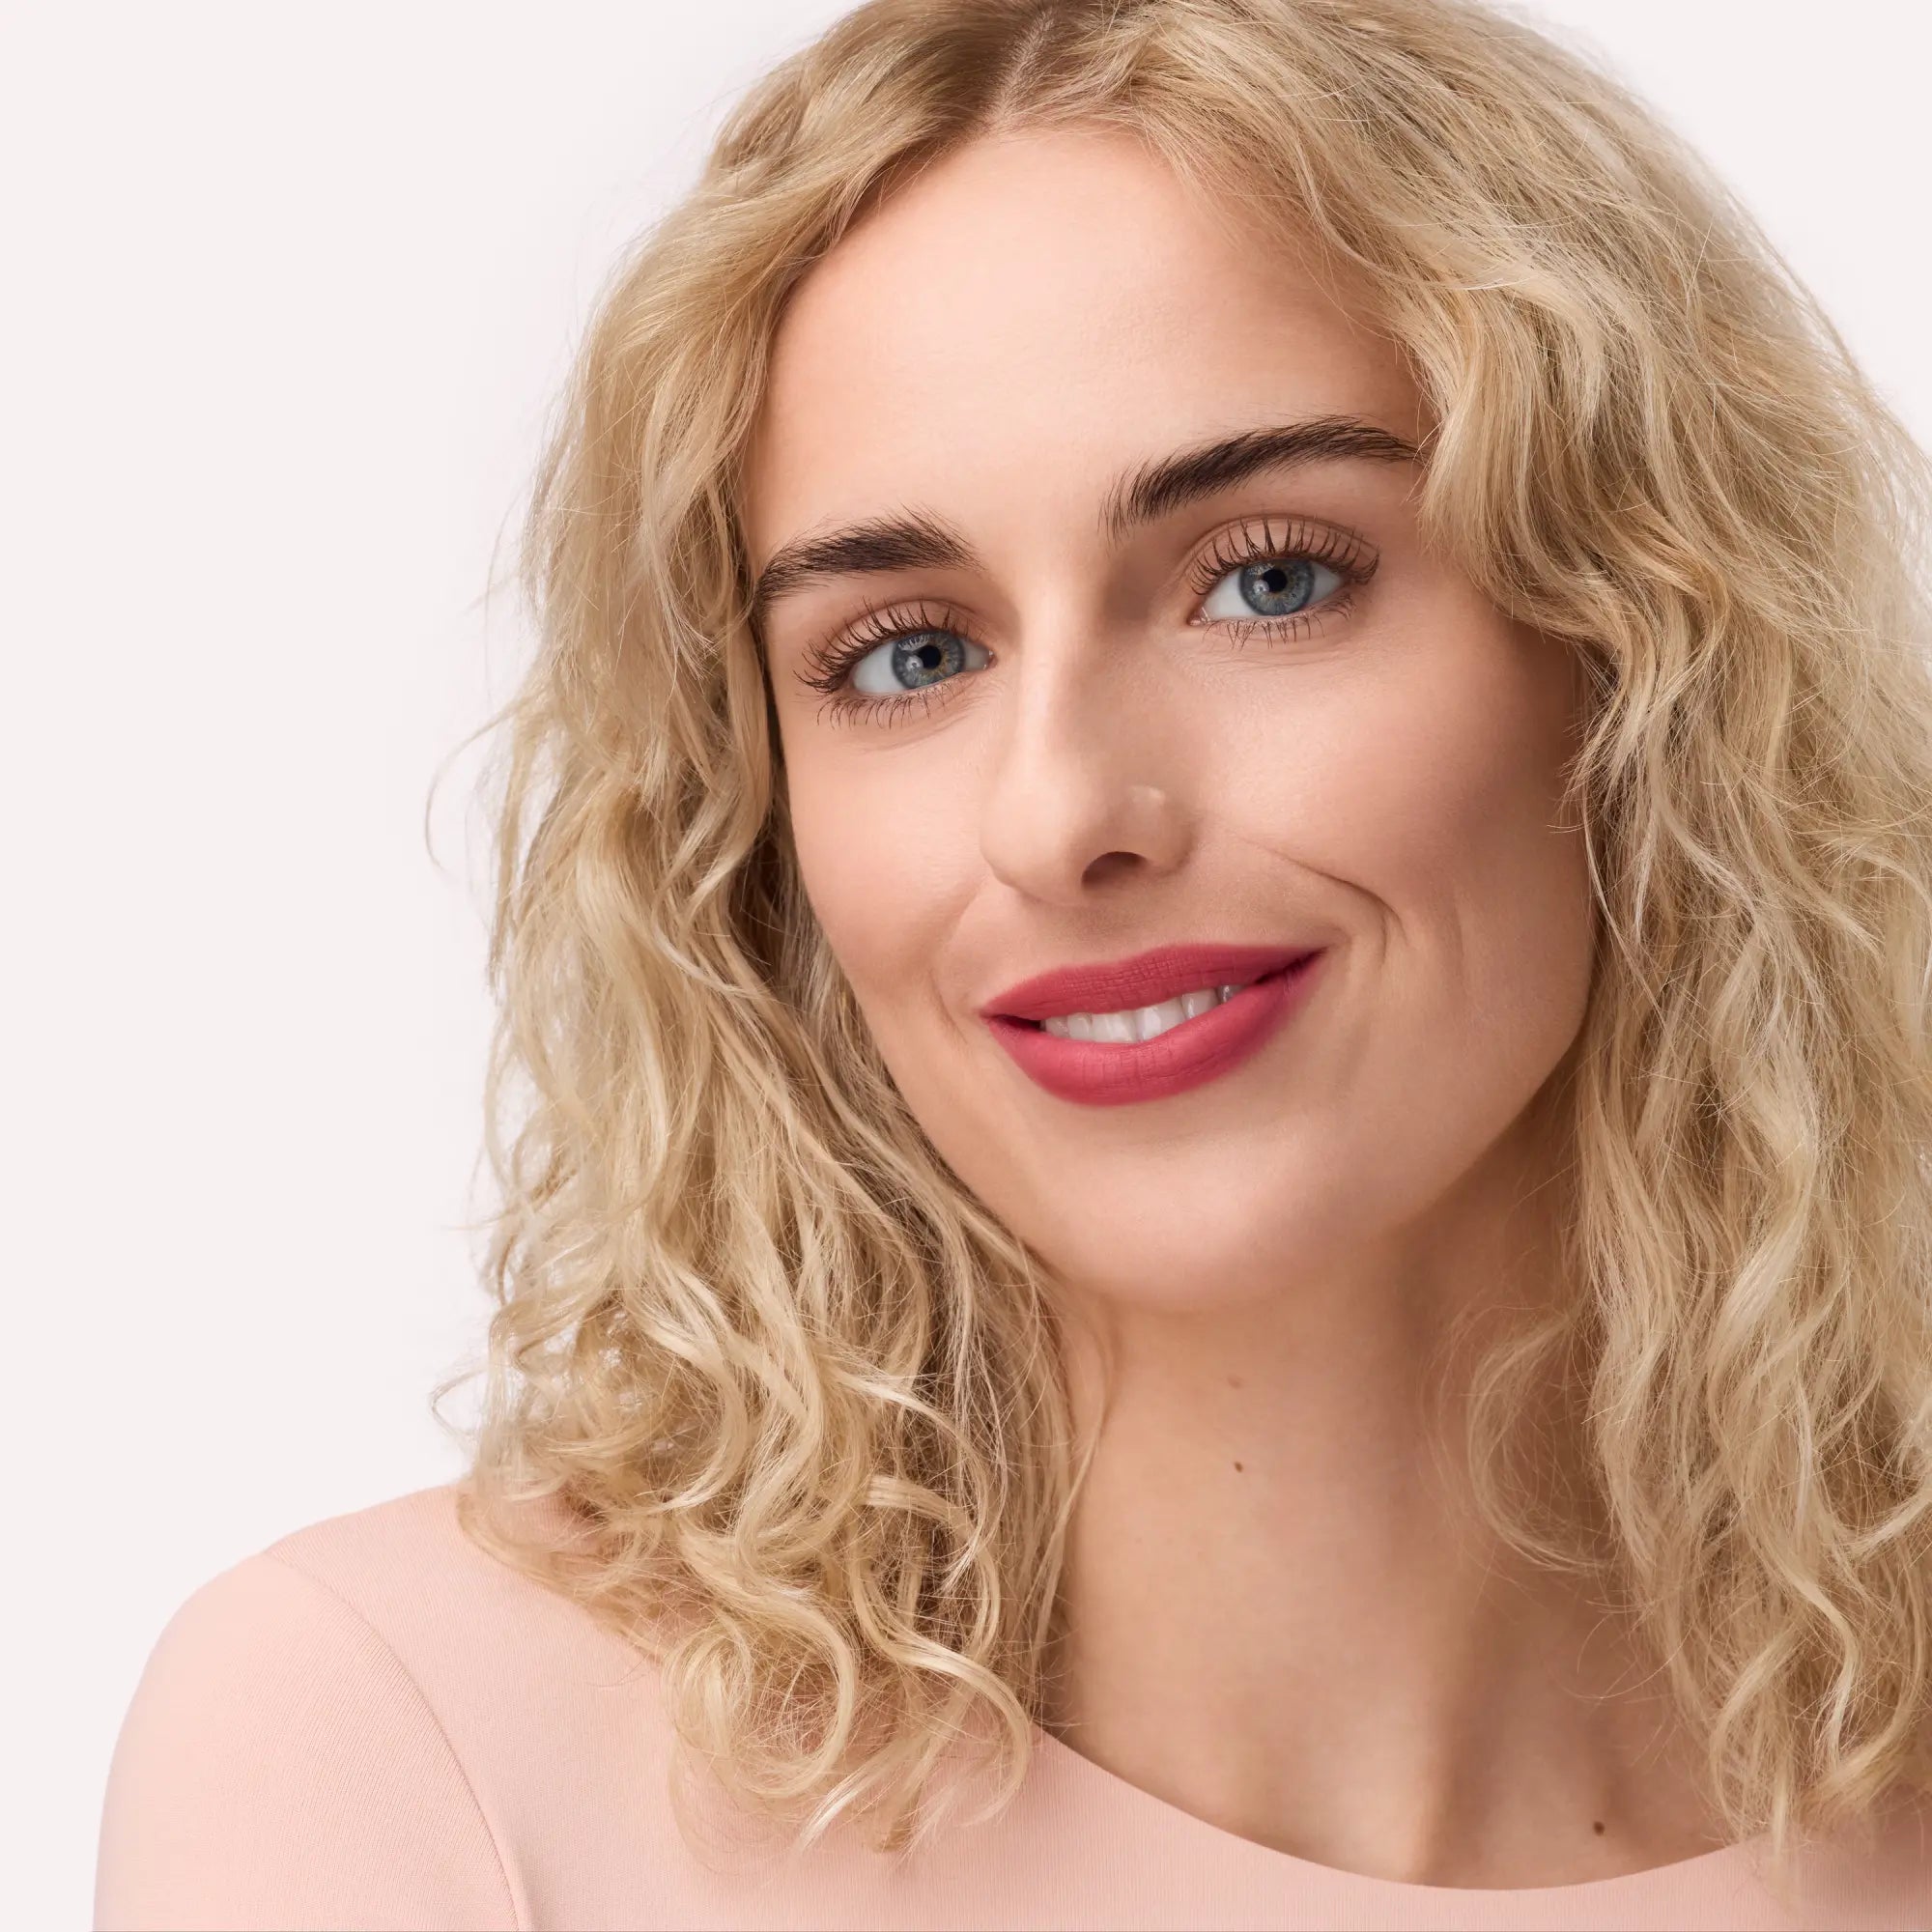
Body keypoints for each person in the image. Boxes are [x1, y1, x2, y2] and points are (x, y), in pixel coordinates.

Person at [96, 1, 1932, 1926]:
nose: (1061, 816)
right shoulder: (416, 1756)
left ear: (1643, 658)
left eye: (1270, 578)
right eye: (910, 653)